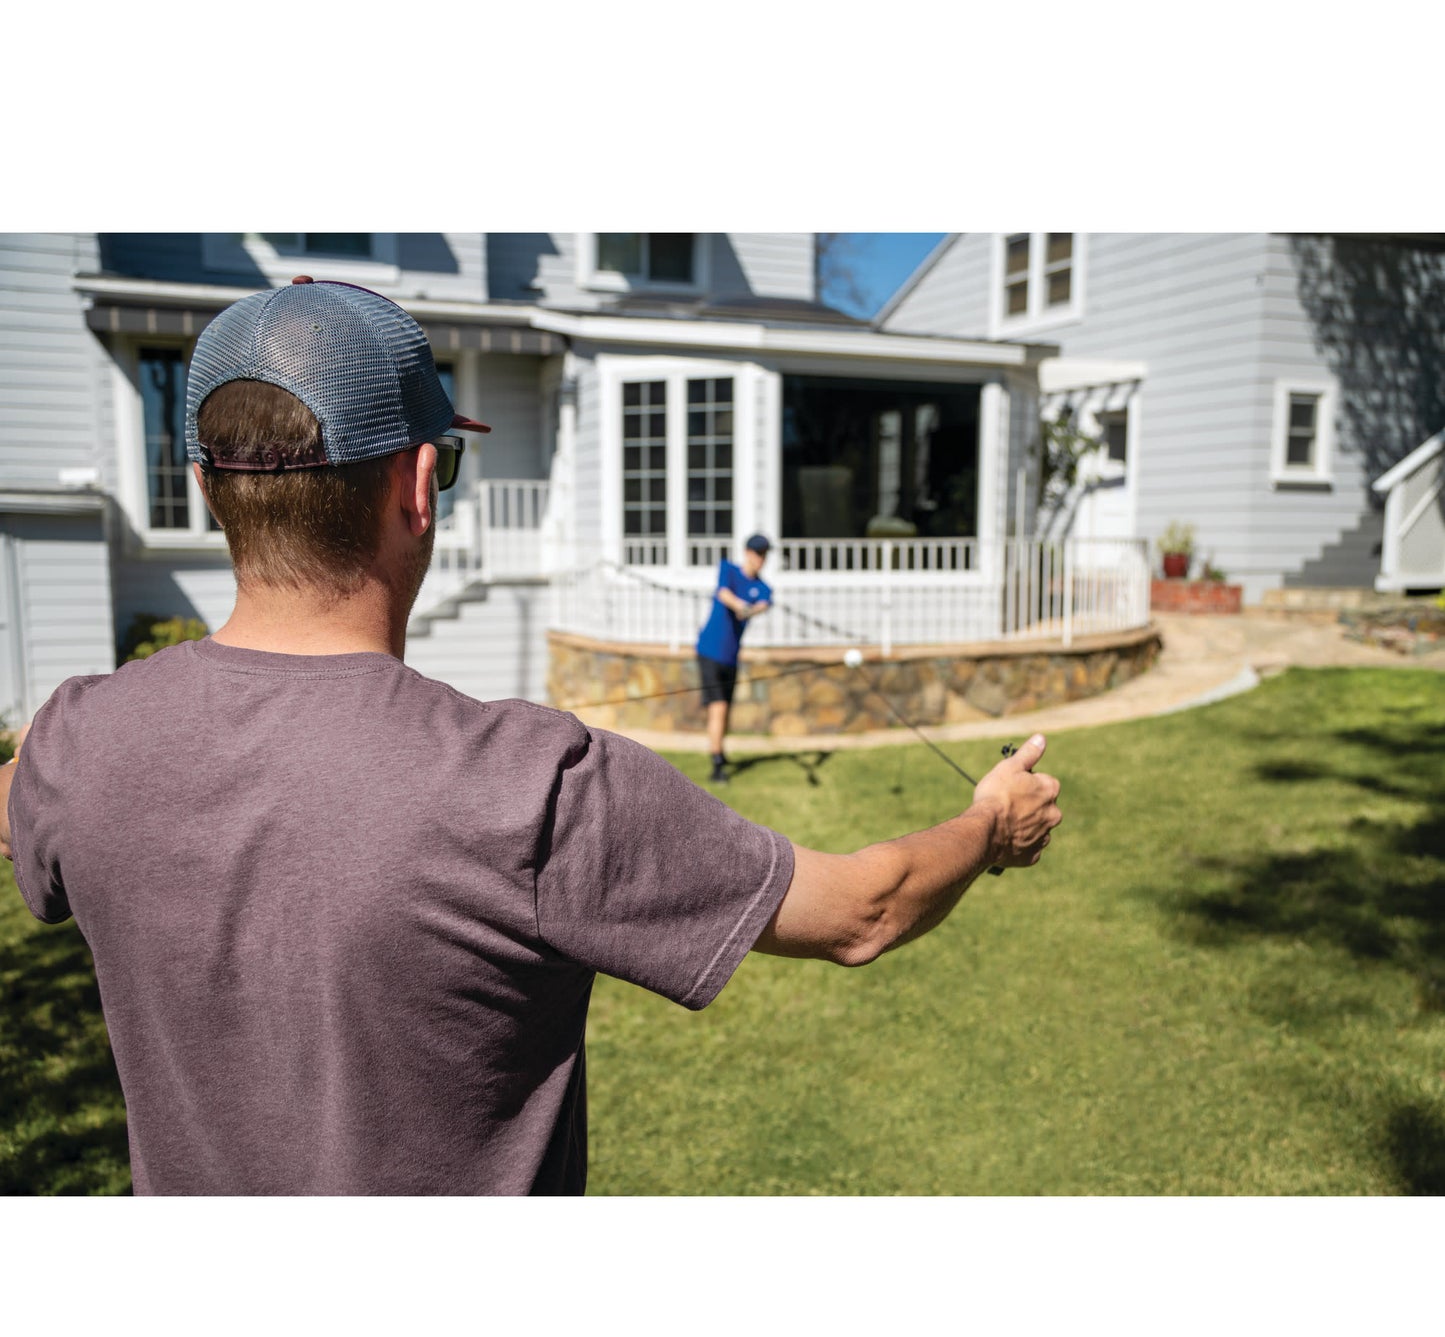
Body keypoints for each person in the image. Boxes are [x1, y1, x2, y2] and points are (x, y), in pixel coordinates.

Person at [0, 276, 1062, 1196]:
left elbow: (16, 811)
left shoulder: (77, 744)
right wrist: (989, 821)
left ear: (204, 485)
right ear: (420, 486)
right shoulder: (534, 786)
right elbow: (861, 909)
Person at [696, 533, 773, 783]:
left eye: (764, 554)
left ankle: (719, 751)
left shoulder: (762, 587)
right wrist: (742, 606)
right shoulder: (728, 570)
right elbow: (723, 593)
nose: (760, 559)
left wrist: (753, 609)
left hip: (731, 657)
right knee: (718, 708)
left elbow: (765, 602)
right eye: (757, 553)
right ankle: (717, 765)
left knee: (725, 710)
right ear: (747, 553)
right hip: (709, 651)